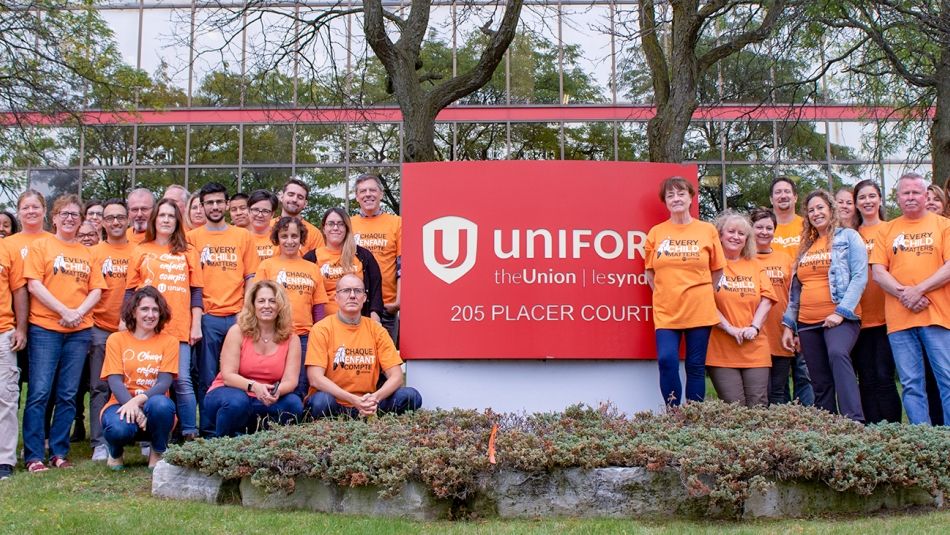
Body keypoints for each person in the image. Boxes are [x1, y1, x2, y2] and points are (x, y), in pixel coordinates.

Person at [23, 194, 106, 472]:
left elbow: (96, 289)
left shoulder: (88, 253)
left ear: (81, 219)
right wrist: (64, 311)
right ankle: (34, 455)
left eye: (75, 214)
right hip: (46, 328)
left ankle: (59, 452)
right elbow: (34, 285)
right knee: (39, 392)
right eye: (64, 213)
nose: (70, 218)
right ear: (54, 218)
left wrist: (78, 312)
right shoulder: (41, 246)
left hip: (79, 331)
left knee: (69, 394)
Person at [870, 173, 950, 425]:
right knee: (911, 384)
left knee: (946, 379)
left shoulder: (944, 225)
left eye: (916, 192)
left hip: (937, 317)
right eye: (906, 193)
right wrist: (907, 295)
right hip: (900, 321)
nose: (911, 197)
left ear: (926, 196)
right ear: (897, 198)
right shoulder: (887, 230)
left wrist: (919, 290)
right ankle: (921, 439)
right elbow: (878, 272)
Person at [781, 190, 867, 422]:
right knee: (818, 377)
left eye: (820, 208)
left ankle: (853, 421)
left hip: (840, 317)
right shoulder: (805, 247)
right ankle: (827, 424)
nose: (816, 213)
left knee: (838, 354)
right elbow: (795, 292)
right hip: (807, 322)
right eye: (811, 210)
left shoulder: (848, 237)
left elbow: (860, 276)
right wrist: (789, 325)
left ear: (831, 209)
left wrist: (840, 312)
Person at [644, 176, 725, 406]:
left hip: (699, 309)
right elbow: (650, 274)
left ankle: (694, 417)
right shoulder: (656, 233)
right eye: (670, 195)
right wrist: (668, 292)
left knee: (695, 365)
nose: (676, 199)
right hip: (666, 311)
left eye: (681, 194)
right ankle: (674, 415)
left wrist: (700, 292)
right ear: (665, 202)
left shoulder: (707, 230)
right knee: (667, 360)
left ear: (691, 197)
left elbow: (717, 271)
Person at [127, 198, 203, 440]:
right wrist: (124, 322)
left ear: (177, 221)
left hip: (178, 328)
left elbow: (197, 291)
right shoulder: (140, 249)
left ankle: (190, 432)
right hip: (146, 328)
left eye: (171, 216)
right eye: (162, 216)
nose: (167, 220)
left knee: (181, 382)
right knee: (149, 383)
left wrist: (196, 323)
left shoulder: (188, 251)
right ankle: (148, 435)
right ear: (154, 220)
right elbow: (130, 291)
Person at [188, 182, 258, 434]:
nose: (215, 207)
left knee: (240, 374)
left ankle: (237, 427)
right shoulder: (192, 238)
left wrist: (245, 311)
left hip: (238, 317)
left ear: (227, 204)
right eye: (209, 202)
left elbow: (251, 276)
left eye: (219, 202)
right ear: (202, 206)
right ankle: (208, 431)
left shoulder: (242, 236)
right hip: (209, 317)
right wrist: (198, 315)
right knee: (207, 377)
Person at [306, 274, 421, 418]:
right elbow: (315, 378)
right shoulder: (322, 329)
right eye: (346, 291)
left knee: (411, 396)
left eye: (358, 291)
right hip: (336, 404)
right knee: (320, 401)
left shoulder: (376, 329)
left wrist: (375, 398)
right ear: (336, 297)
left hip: (370, 403)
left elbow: (396, 376)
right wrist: (354, 400)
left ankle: (369, 416)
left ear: (365, 298)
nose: (352, 295)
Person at [204, 280, 303, 437]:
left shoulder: (292, 339)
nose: (267, 306)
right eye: (261, 301)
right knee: (237, 402)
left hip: (267, 397)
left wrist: (277, 392)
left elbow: (290, 381)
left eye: (272, 301)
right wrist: (254, 386)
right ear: (253, 305)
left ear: (280, 306)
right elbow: (228, 376)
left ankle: (271, 447)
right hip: (231, 392)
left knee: (293, 404)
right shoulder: (237, 331)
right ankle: (224, 446)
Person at [100, 286, 178, 470]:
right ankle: (115, 452)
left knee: (161, 405)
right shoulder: (116, 339)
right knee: (118, 430)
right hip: (120, 403)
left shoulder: (169, 341)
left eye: (155, 310)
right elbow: (114, 381)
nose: (150, 315)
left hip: (155, 405)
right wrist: (132, 406)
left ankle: (158, 452)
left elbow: (165, 382)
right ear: (133, 312)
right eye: (144, 309)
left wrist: (138, 402)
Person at [254, 217, 328, 399]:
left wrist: (318, 337)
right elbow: (256, 302)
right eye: (284, 236)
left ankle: (297, 422)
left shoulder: (312, 268)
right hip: (273, 335)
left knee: (300, 385)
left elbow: (318, 307)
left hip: (303, 336)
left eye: (294, 236)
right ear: (277, 238)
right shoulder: (267, 266)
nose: (289, 241)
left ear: (301, 238)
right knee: (273, 383)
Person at [707, 212, 775, 407]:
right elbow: (706, 303)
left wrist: (754, 327)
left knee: (759, 405)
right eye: (731, 231)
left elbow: (767, 299)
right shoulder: (709, 267)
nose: (736, 237)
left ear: (747, 239)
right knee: (733, 407)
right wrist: (729, 328)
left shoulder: (755, 265)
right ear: (720, 235)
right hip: (721, 350)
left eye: (741, 233)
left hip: (755, 347)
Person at [851, 180, 902, 424]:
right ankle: (871, 431)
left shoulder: (892, 229)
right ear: (856, 203)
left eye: (872, 196)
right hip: (859, 318)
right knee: (866, 378)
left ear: (880, 200)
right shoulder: (851, 235)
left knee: (884, 376)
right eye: (862, 197)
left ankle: (891, 430)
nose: (868, 201)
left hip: (888, 316)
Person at [87, 199, 133, 460]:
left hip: (133, 332)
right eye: (110, 218)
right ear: (102, 222)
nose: (115, 222)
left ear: (127, 220)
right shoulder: (94, 252)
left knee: (135, 384)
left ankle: (138, 436)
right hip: (101, 328)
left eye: (120, 217)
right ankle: (100, 442)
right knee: (100, 386)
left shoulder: (138, 251)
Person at [768, 176, 815, 406]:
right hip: (775, 308)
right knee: (778, 371)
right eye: (778, 192)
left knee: (804, 369)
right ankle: (783, 422)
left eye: (787, 191)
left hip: (806, 304)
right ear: (771, 199)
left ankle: (808, 419)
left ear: (795, 197)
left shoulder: (807, 226)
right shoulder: (766, 229)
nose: (783, 195)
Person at [7, 190, 52, 394]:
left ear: (44, 211)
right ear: (18, 213)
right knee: (10, 382)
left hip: (46, 322)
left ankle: (39, 427)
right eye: (26, 207)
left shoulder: (54, 241)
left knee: (41, 385)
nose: (31, 211)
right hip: (12, 321)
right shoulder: (8, 243)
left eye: (36, 207)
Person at [751, 208, 796, 405]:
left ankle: (778, 433)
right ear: (751, 229)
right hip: (755, 335)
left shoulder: (785, 259)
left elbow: (794, 296)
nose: (764, 232)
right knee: (760, 394)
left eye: (769, 228)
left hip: (780, 332)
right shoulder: (744, 259)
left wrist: (793, 328)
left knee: (778, 393)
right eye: (759, 227)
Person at [307, 208, 384, 320]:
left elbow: (375, 289)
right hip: (324, 325)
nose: (335, 228)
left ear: (347, 228)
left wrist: (375, 318)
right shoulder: (312, 258)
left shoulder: (363, 255)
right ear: (324, 228)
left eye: (341, 224)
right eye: (331, 224)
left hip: (358, 323)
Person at [351, 174, 401, 344]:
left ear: (381, 194)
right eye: (363, 191)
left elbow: (403, 265)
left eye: (372, 190)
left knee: (385, 363)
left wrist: (398, 301)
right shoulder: (348, 225)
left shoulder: (396, 223)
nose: (368, 194)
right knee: (356, 361)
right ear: (357, 197)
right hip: (353, 305)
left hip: (386, 305)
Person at [0, 230, 28, 479]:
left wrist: (20, 328)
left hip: (2, 332)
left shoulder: (8, 249)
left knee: (6, 397)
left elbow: (19, 290)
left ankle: (4, 459)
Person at [276, 179, 323, 254]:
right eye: (291, 194)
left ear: (305, 203)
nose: (294, 200)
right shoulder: (268, 227)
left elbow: (319, 263)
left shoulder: (314, 234)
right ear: (281, 197)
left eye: (300, 197)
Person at [247, 189, 278, 262]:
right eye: (255, 210)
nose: (260, 215)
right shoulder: (242, 238)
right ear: (248, 211)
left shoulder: (279, 238)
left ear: (272, 214)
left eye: (265, 211)